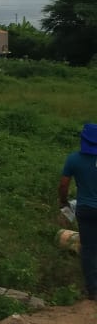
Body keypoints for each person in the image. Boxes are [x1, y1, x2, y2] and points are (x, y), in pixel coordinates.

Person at [59, 123, 97, 300]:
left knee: (88, 249)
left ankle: (93, 290)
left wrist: (63, 202)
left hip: (85, 209)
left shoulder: (74, 159)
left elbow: (64, 184)